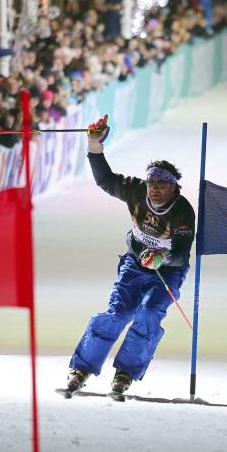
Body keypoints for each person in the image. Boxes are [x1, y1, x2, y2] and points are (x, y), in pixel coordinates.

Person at [62, 114, 196, 399]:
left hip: (167, 272)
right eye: (152, 183)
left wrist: (162, 259)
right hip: (135, 264)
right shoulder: (136, 190)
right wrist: (94, 146)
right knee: (118, 313)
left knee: (148, 314)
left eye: (162, 184)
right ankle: (81, 368)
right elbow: (105, 181)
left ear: (174, 187)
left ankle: (126, 372)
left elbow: (182, 254)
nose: (155, 189)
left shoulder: (183, 211)